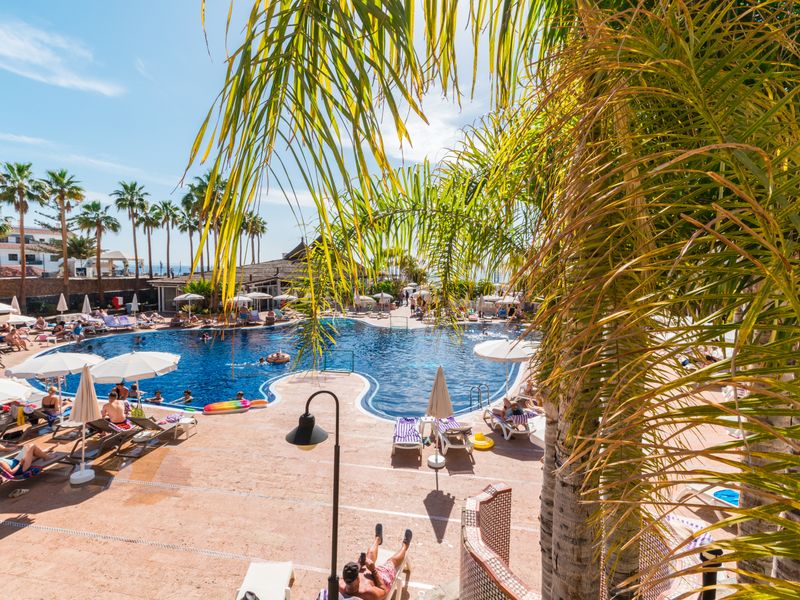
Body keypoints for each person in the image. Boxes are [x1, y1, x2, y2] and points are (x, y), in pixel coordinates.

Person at [338, 524, 412, 600]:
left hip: (367, 572)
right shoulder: (368, 592)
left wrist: (359, 564)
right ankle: (405, 546)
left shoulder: (339, 585)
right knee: (392, 562)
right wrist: (374, 570)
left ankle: (378, 539)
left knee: (368, 557)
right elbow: (384, 591)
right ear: (357, 578)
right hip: (379, 577)